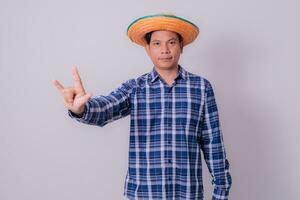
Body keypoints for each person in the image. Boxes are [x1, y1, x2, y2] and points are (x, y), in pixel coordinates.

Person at [53, 13, 232, 200]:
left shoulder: (201, 88)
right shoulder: (135, 87)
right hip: (144, 194)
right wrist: (81, 108)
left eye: (171, 42)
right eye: (156, 43)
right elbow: (106, 108)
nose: (164, 49)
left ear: (181, 46)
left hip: (187, 193)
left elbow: (213, 143)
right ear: (147, 48)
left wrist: (221, 190)